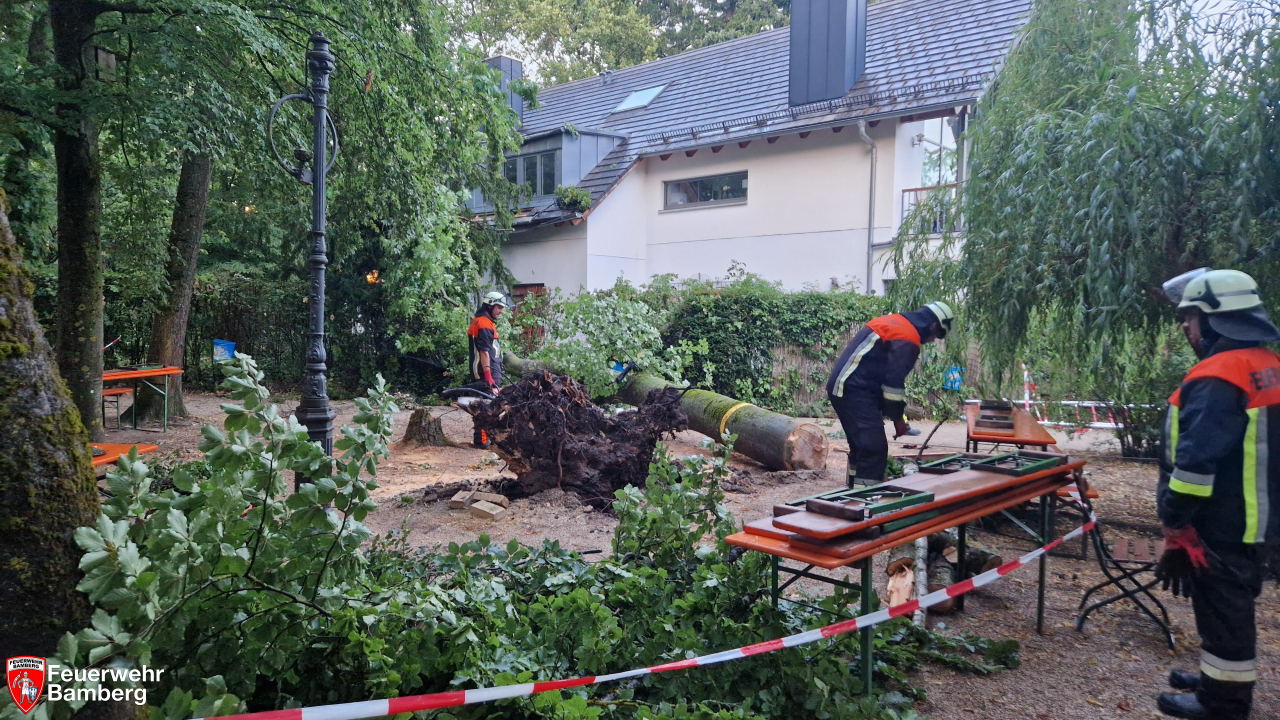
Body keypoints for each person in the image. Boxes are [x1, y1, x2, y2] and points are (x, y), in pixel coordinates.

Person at [1155, 268, 1280, 720]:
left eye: (1190, 318)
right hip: (1256, 515)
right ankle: (1217, 680)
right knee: (1229, 605)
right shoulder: (1266, 365)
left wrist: (1175, 519)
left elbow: (1195, 465)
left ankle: (1222, 703)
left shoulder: (1218, 375)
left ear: (1214, 319)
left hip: (1222, 521)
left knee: (1224, 608)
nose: (1185, 328)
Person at [825, 301, 955, 487]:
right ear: (933, 326)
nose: (934, 340)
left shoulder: (894, 322)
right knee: (873, 449)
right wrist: (898, 420)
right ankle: (866, 499)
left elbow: (883, 376)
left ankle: (852, 492)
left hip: (848, 386)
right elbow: (893, 386)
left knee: (861, 447)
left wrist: (897, 417)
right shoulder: (908, 337)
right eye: (938, 335)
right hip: (854, 390)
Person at [468, 291, 509, 448]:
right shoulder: (484, 323)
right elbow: (484, 352)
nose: (501, 311)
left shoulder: (482, 321)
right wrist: (488, 376)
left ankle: (484, 439)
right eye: (499, 307)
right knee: (486, 407)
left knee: (485, 405)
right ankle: (482, 441)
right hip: (486, 371)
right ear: (490, 306)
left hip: (487, 370)